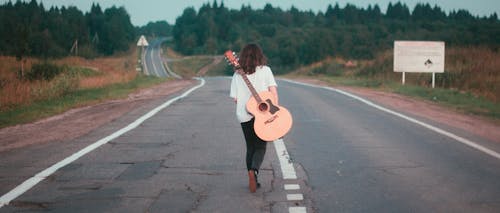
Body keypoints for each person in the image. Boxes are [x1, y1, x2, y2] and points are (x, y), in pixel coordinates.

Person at [229, 43, 278, 193]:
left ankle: (252, 177)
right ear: (259, 55)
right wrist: (274, 112)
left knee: (250, 147)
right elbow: (273, 94)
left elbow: (235, 99)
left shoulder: (237, 75)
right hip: (263, 114)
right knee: (261, 146)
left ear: (243, 57)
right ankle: (254, 170)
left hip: (244, 115)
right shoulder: (266, 71)